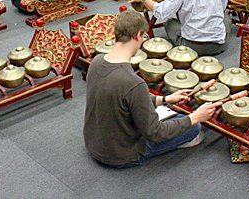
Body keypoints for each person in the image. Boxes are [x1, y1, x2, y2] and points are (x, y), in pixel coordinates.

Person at [83, 10, 217, 168]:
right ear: (138, 36)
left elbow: (123, 98)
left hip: (94, 143)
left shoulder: (97, 61)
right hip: (121, 155)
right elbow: (155, 132)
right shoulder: (134, 83)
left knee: (169, 114)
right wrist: (195, 117)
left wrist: (164, 99)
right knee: (194, 128)